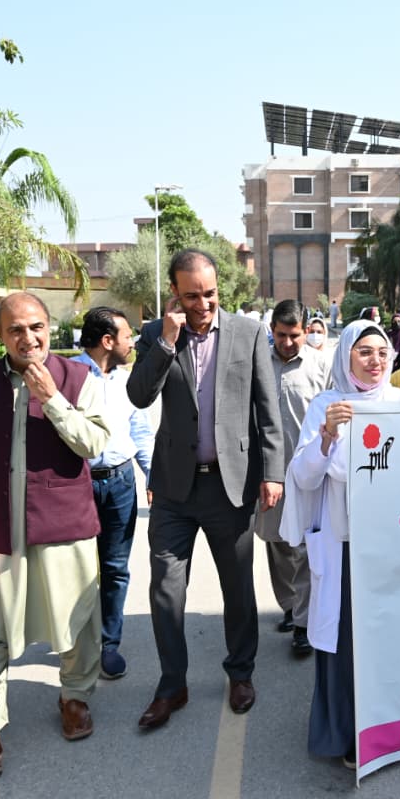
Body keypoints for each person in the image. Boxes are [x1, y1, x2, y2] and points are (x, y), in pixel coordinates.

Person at [0, 292, 110, 791]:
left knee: (77, 624)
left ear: (50, 328)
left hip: (63, 526)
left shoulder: (78, 378)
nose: (28, 338)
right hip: (0, 531)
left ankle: (75, 697)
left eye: (36, 327)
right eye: (16, 330)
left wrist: (52, 399)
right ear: (0, 335)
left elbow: (94, 443)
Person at [126, 249, 283, 730]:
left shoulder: (248, 332)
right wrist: (166, 342)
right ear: (175, 293)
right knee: (166, 590)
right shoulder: (156, 334)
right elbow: (139, 395)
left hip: (230, 486)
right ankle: (172, 685)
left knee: (237, 588)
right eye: (192, 295)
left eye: (210, 293)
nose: (203, 304)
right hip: (174, 489)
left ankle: (241, 673)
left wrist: (273, 472)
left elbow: (267, 407)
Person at [279, 320, 400, 768]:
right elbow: (303, 477)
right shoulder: (327, 405)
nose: (375, 361)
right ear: (346, 357)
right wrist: (327, 437)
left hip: (390, 545)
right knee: (345, 642)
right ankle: (346, 734)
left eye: (382, 352)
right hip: (344, 547)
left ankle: (389, 728)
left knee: (388, 637)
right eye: (364, 352)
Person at [74, 307, 155, 681]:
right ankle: (76, 644)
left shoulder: (128, 382)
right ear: (107, 341)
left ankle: (109, 643)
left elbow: (140, 431)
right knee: (76, 570)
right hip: (77, 485)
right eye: (127, 336)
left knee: (115, 568)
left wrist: (153, 477)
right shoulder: (69, 377)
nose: (132, 342)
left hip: (121, 484)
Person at [255, 300, 332, 658]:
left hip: (309, 472)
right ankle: (290, 605)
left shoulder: (321, 366)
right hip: (268, 474)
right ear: (271, 330)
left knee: (304, 547)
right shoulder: (257, 363)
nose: (287, 342)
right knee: (277, 543)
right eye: (281, 335)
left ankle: (303, 623)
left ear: (306, 332)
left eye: (295, 335)